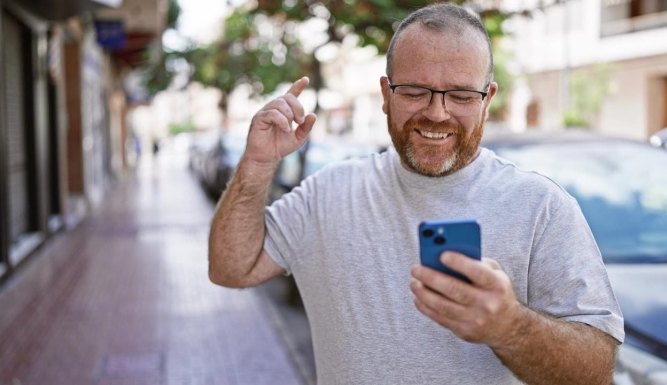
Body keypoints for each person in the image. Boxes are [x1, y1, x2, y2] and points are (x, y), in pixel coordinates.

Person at [208, 4, 624, 384]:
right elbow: (231, 268)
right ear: (386, 95)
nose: (437, 112)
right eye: (414, 91)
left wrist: (510, 326)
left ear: (487, 100)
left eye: (461, 94)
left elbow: (596, 373)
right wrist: (258, 164)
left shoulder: (542, 208)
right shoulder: (327, 193)